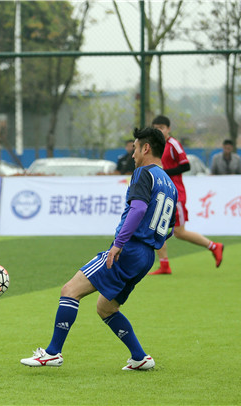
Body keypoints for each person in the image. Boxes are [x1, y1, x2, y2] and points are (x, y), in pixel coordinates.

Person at [20, 127, 177, 371]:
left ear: (146, 148)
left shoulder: (142, 173)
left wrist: (119, 244)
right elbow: (169, 228)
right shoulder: (170, 184)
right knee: (106, 307)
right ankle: (140, 357)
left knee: (70, 290)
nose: (133, 154)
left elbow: (137, 209)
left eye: (135, 148)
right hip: (146, 256)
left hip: (130, 250)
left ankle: (52, 353)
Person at [149, 115, 223, 275]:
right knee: (157, 228)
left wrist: (164, 173)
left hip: (175, 194)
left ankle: (214, 246)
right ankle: (164, 265)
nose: (158, 130)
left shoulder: (173, 144)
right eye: (156, 127)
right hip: (161, 193)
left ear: (168, 129)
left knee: (179, 232)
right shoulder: (154, 146)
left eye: (161, 127)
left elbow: (186, 165)